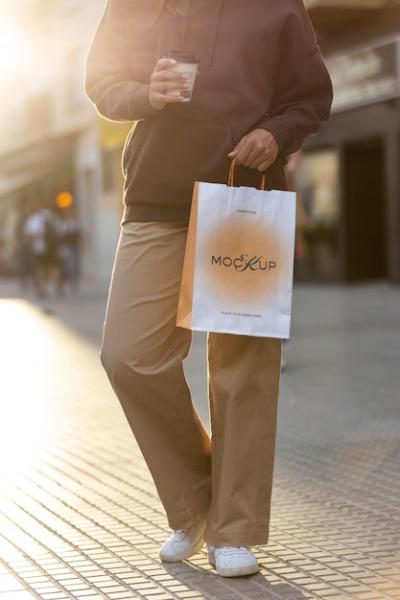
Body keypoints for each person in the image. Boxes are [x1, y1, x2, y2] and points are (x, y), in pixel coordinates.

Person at [85, 0, 333, 578]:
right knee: (128, 357)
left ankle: (235, 528)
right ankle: (197, 501)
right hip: (155, 199)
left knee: (242, 368)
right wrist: (145, 92)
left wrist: (276, 133)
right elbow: (101, 81)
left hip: (244, 197)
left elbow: (311, 97)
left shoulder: (277, 7)